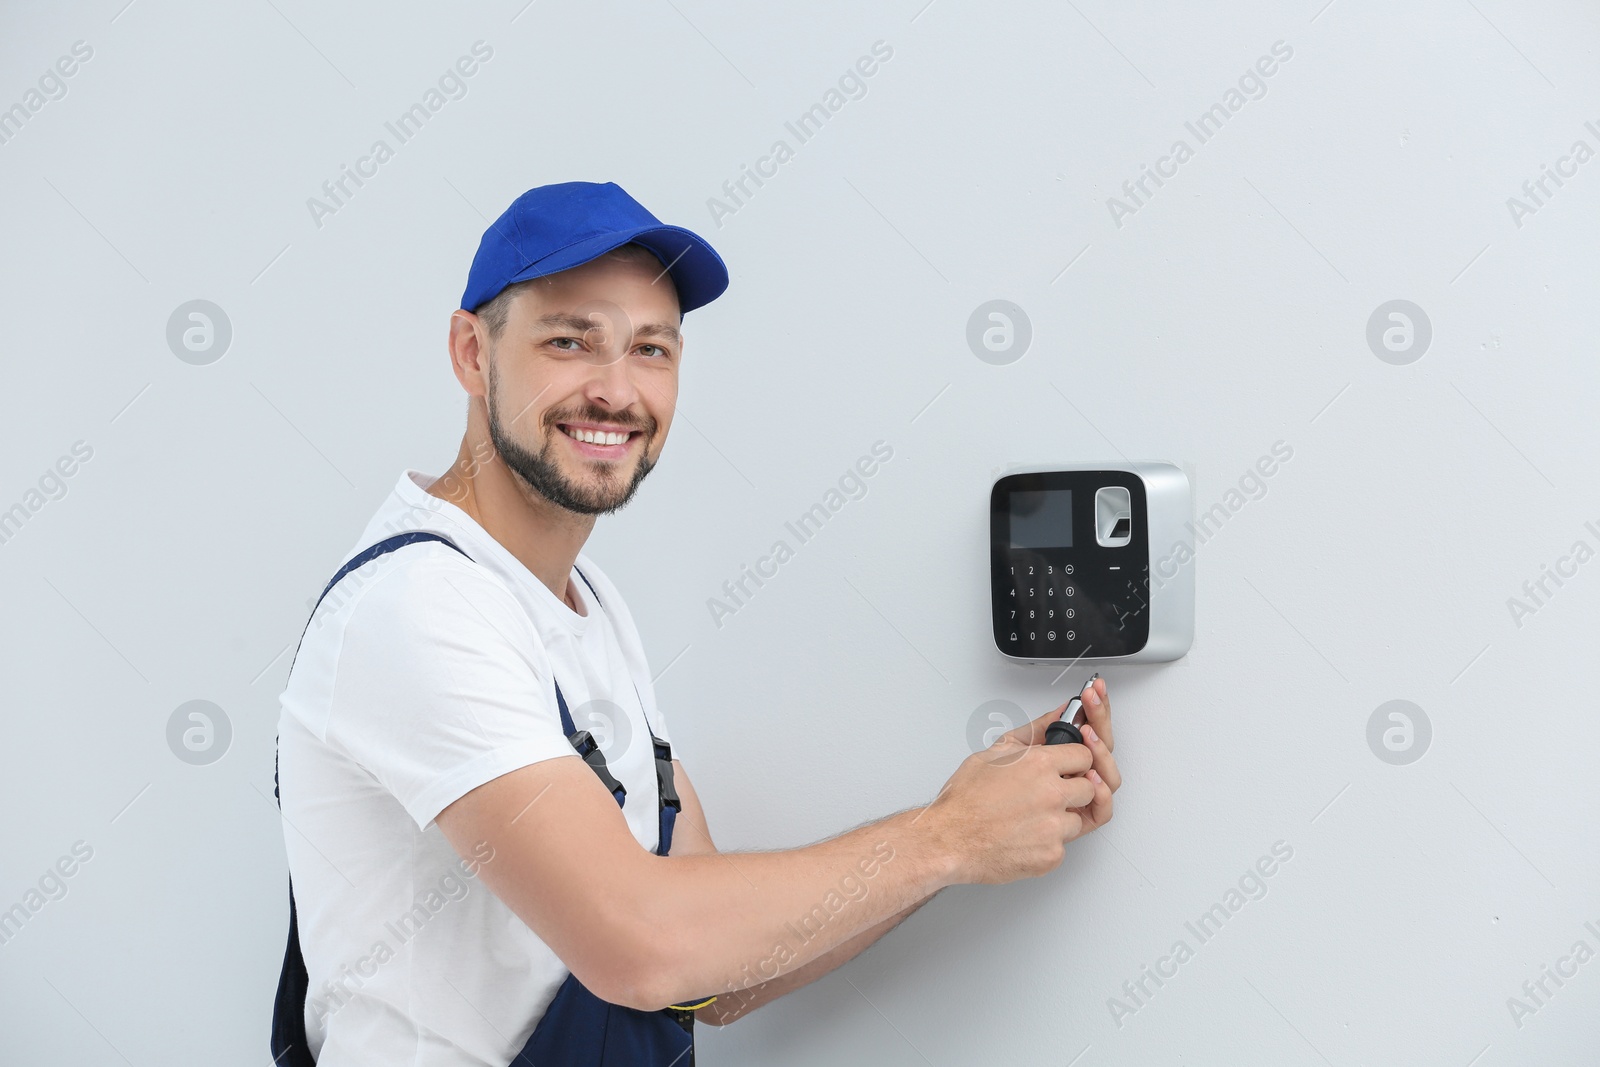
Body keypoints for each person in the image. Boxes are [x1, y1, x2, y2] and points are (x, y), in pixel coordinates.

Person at [271, 180, 1121, 1066]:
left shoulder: (584, 604)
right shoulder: (419, 608)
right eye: (569, 341)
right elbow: (641, 944)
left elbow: (715, 977)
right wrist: (945, 839)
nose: (615, 390)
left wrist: (960, 824)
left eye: (652, 349)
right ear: (471, 351)